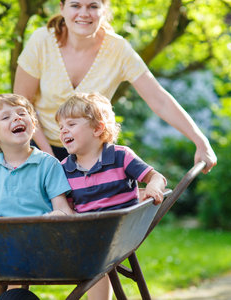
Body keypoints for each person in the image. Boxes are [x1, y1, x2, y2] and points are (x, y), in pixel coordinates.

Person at [13, 0, 217, 175]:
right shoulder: (42, 41)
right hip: (37, 144)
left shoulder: (118, 50)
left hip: (91, 152)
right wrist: (49, 157)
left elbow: (159, 99)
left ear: (104, 9)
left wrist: (200, 141)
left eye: (93, 6)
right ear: (62, 8)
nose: (84, 13)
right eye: (75, 5)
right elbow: (22, 105)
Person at [56, 92, 167, 298]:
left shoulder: (120, 156)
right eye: (61, 127)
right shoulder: (64, 169)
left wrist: (153, 186)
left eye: (71, 124)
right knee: (92, 258)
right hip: (86, 234)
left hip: (121, 232)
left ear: (98, 128)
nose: (63, 131)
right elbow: (67, 209)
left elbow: (157, 177)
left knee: (95, 260)